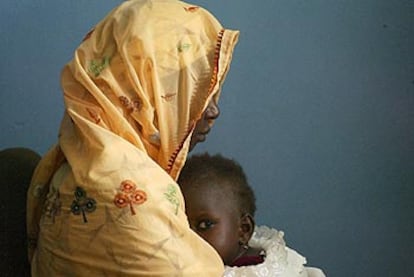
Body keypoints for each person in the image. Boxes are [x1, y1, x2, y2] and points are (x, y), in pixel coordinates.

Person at [26, 1, 239, 276]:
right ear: (141, 92)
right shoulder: (124, 191)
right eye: (191, 91)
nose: (214, 111)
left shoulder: (77, 160)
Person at [177, 153, 326, 276]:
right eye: (180, 226)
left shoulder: (263, 271)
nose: (190, 237)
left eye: (205, 225)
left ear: (244, 229)